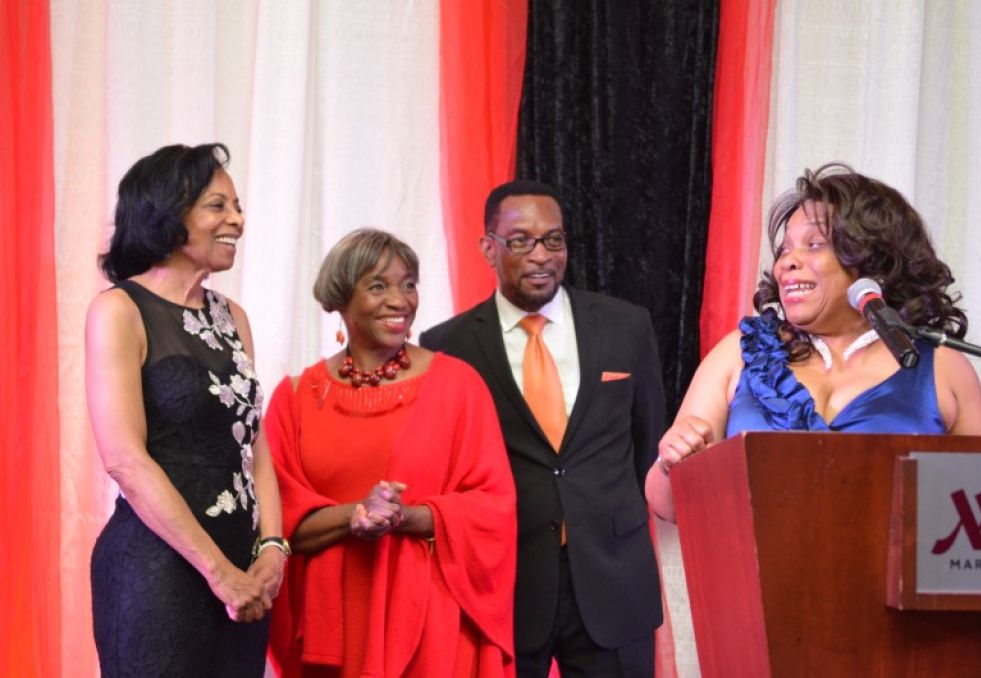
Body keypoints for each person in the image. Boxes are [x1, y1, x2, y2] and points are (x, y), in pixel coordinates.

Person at [646, 162, 981, 521]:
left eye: (814, 245)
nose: (787, 263)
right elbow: (667, 507)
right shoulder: (738, 353)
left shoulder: (941, 367)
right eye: (785, 249)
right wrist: (669, 462)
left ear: (874, 262)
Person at [420, 180, 665, 677]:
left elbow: (647, 443)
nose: (541, 256)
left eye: (553, 239)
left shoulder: (626, 326)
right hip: (505, 584)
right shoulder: (448, 347)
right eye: (521, 241)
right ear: (488, 248)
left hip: (614, 580)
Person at [263, 228, 516, 677]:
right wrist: (356, 514)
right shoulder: (294, 399)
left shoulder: (458, 386)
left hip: (434, 624)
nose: (399, 300)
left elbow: (493, 509)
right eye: (378, 286)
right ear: (341, 297)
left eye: (409, 284)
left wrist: (404, 517)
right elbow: (275, 525)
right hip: (335, 628)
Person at [86, 143, 286, 676]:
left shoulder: (234, 317)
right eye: (218, 206)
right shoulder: (119, 310)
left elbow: (254, 444)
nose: (237, 220)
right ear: (167, 216)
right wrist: (220, 574)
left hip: (245, 580)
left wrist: (272, 548)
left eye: (237, 206)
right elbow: (124, 461)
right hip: (158, 574)